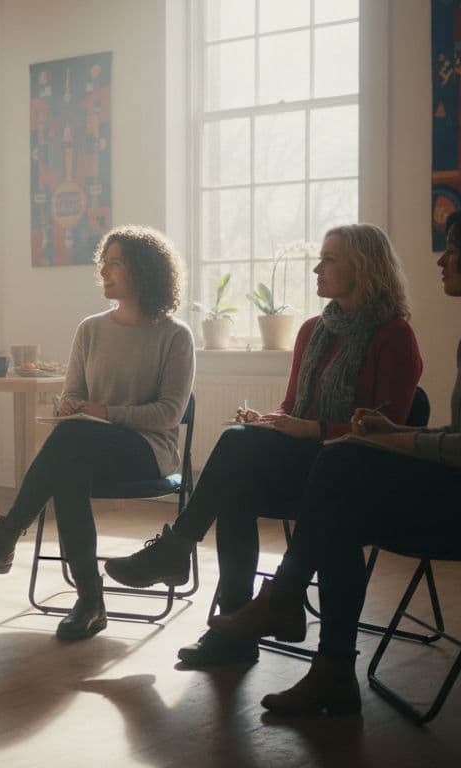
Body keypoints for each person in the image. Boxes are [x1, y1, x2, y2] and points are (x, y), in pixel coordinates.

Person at [208, 201, 461, 715]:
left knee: (342, 467)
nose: (443, 259)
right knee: (340, 499)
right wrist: (398, 432)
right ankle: (331, 670)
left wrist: (400, 441)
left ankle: (291, 612)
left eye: (455, 249)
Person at [102, 224, 423, 666]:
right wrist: (270, 422)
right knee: (237, 483)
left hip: (355, 477)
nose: (317, 268)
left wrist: (307, 430)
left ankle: (180, 551)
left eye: (330, 259)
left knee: (237, 451)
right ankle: (233, 628)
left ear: (364, 267)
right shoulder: (314, 330)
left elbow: (388, 433)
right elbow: (293, 406)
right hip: (308, 466)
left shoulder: (394, 336)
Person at [0, 225, 195, 641]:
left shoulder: (175, 336)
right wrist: (72, 406)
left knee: (69, 443)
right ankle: (90, 602)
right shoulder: (91, 329)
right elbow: (74, 393)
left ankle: (3, 539)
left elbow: (169, 414)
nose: (105, 270)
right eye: (105, 262)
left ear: (145, 271)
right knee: (70, 469)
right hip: (89, 447)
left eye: (116, 263)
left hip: (150, 451)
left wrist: (100, 411)